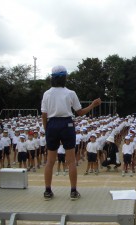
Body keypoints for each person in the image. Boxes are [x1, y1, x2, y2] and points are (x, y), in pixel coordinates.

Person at [41, 65, 101, 201]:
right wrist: (92, 105)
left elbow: (44, 115)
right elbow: (79, 112)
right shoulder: (70, 93)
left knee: (50, 161)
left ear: (52, 78)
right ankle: (73, 192)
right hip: (67, 124)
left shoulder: (47, 94)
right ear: (64, 78)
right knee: (71, 161)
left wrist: (47, 129)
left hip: (52, 124)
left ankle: (47, 191)